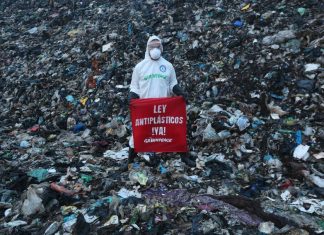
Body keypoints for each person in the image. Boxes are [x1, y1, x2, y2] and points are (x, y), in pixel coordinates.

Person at [128, 35, 189, 166]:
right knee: (138, 134)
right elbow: (134, 87)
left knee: (175, 130)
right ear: (147, 48)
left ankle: (184, 156)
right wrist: (132, 98)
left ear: (161, 48)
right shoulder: (140, 67)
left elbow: (173, 84)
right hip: (146, 108)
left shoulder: (168, 66)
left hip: (165, 109)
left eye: (157, 47)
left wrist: (181, 92)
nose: (155, 49)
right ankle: (129, 161)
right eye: (152, 47)